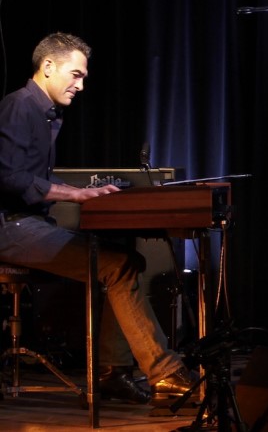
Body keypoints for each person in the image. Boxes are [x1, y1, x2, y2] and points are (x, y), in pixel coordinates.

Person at [0, 32, 194, 404]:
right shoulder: (19, 106)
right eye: (76, 75)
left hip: (26, 223)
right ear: (48, 66)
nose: (81, 85)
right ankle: (164, 374)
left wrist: (84, 191)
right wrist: (74, 194)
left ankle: (114, 372)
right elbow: (10, 178)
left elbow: (30, 176)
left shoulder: (42, 111)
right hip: (11, 226)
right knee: (117, 265)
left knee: (125, 261)